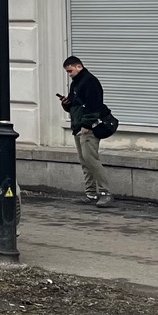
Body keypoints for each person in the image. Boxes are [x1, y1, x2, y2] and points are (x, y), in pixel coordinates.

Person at [59, 55, 112, 205]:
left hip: (89, 128)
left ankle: (105, 192)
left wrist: (87, 125)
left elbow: (94, 106)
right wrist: (66, 103)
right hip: (79, 126)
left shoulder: (90, 82)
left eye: (70, 71)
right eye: (67, 72)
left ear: (79, 67)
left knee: (91, 160)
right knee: (84, 161)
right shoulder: (76, 83)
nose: (69, 74)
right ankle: (91, 193)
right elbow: (75, 106)